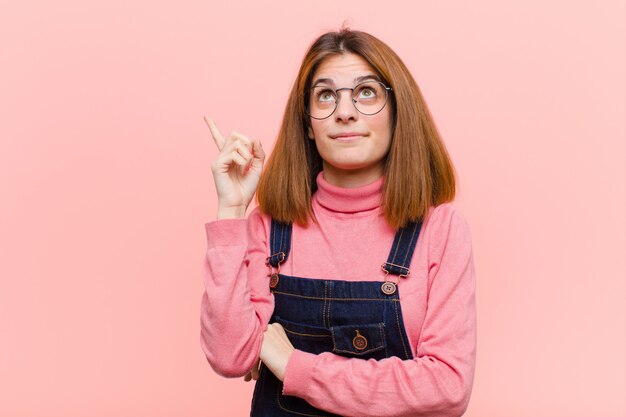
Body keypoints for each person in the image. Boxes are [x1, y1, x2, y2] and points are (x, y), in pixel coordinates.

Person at [200, 27, 477, 417]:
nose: (345, 112)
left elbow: (446, 387)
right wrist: (231, 211)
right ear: (309, 125)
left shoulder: (441, 230)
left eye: (366, 92)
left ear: (398, 115)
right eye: (326, 95)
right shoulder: (269, 226)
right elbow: (231, 356)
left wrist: (292, 364)